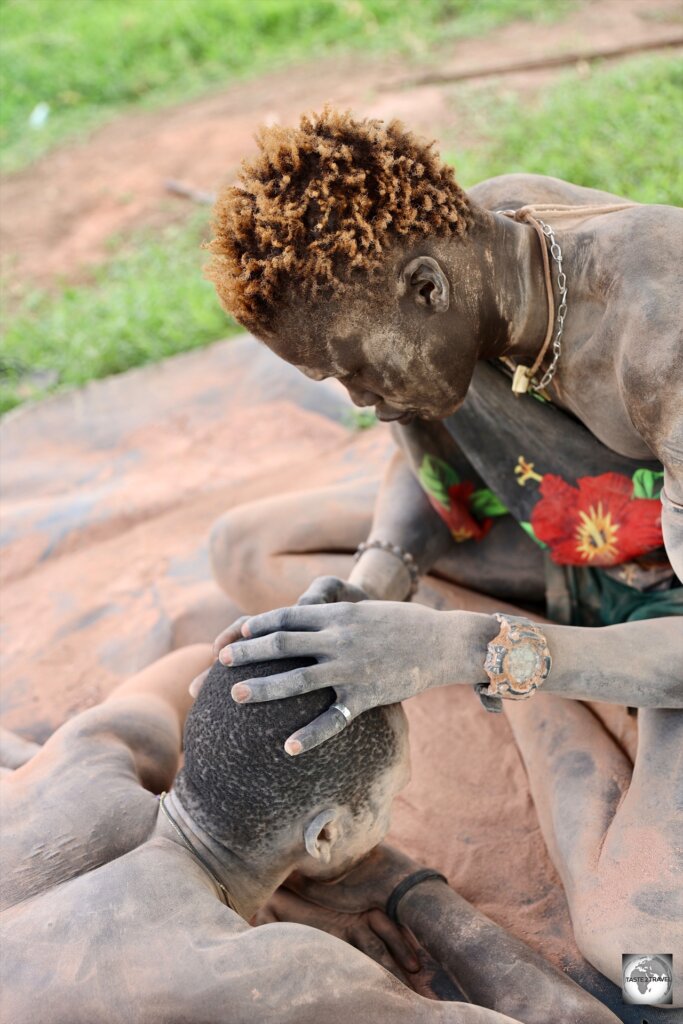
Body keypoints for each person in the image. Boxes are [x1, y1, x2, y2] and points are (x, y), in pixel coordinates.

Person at [202, 108, 683, 1002]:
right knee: (247, 548)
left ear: (425, 289)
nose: (360, 401)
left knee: (647, 965)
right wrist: (381, 575)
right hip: (572, 534)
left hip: (669, 613)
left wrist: (462, 651)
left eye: (352, 369)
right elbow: (419, 456)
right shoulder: (467, 258)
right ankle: (491, 651)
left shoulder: (664, 328)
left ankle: (523, 679)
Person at [0, 647, 617, 1024]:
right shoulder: (262, 970)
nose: (392, 817)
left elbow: (194, 661)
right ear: (323, 837)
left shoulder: (88, 754)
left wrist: (263, 882)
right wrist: (406, 886)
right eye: (391, 799)